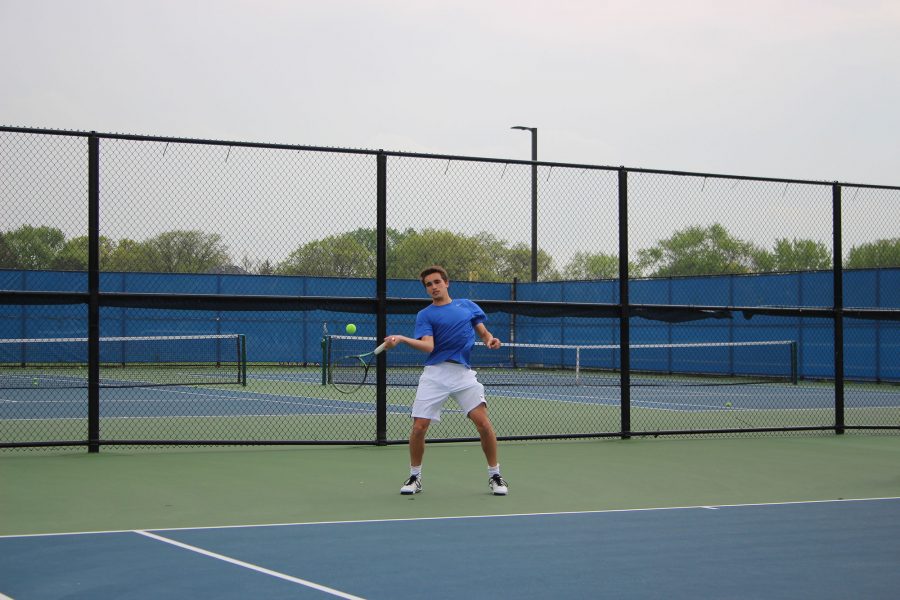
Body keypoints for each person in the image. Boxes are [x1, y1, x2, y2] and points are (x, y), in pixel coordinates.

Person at [383, 265, 509, 496]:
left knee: (483, 423)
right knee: (419, 427)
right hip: (435, 374)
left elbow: (483, 332)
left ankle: (495, 476)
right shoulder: (425, 314)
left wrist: (491, 339)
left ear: (446, 283)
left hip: (463, 374)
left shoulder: (467, 306)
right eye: (429, 284)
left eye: (437, 282)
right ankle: (415, 477)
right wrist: (402, 338)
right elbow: (428, 346)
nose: (433, 287)